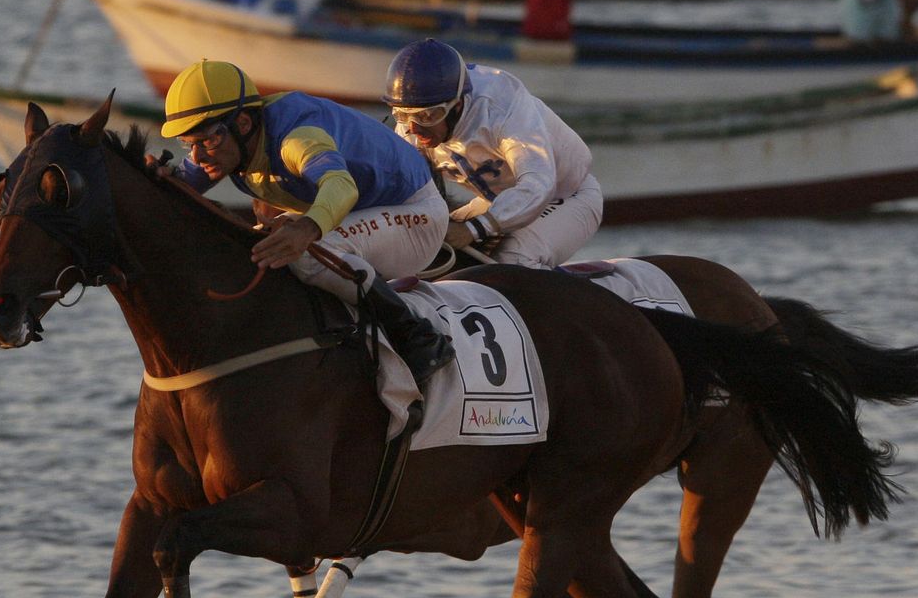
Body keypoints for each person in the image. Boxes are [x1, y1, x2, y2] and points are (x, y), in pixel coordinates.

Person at [160, 59, 455, 388]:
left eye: (206, 142)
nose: (198, 158)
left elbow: (341, 186)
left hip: (416, 214)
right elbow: (174, 188)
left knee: (306, 249)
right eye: (188, 144)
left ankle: (416, 334)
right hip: (367, 213)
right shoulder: (227, 140)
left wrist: (308, 228)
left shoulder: (296, 138)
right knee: (256, 245)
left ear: (243, 123)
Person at [385, 39, 602, 270]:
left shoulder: (501, 107)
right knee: (431, 254)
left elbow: (538, 184)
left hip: (566, 196)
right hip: (498, 200)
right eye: (402, 115)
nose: (414, 129)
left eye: (427, 117)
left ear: (457, 106)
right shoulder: (410, 127)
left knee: (511, 259)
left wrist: (473, 229)